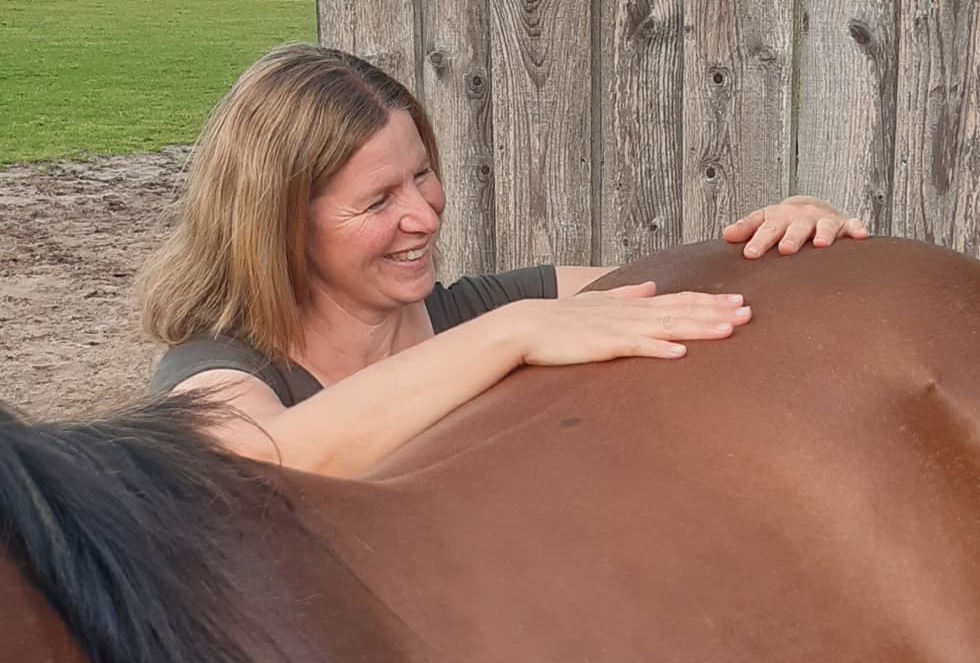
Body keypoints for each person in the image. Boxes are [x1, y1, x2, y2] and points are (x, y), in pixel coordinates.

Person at [143, 45, 866, 482]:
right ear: (278, 226)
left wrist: (788, 233)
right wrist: (511, 335)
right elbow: (268, 464)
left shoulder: (482, 309)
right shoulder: (219, 367)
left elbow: (688, 295)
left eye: (423, 175)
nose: (425, 216)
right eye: (378, 202)